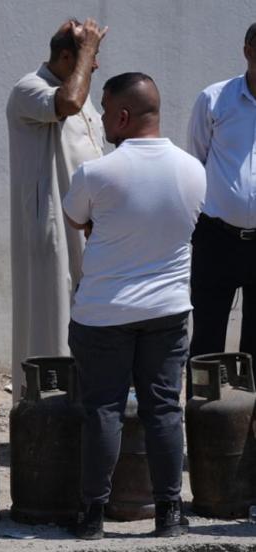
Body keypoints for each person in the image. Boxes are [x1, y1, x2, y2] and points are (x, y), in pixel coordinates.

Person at [63, 73, 204, 539]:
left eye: (105, 110)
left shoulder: (97, 173)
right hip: (168, 310)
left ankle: (92, 517)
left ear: (123, 116)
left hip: (104, 313)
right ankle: (169, 514)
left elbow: (75, 218)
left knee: (102, 410)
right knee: (163, 410)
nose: (101, 119)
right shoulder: (193, 170)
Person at [6, 18, 107, 400]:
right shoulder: (29, 89)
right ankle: (46, 413)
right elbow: (68, 103)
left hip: (89, 231)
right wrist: (86, 50)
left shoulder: (83, 93)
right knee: (51, 322)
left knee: (89, 322)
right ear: (67, 58)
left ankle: (83, 408)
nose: (96, 65)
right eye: (91, 57)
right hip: (53, 235)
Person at [187, 23, 256, 395]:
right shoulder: (215, 99)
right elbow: (196, 163)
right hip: (217, 236)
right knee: (207, 335)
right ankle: (202, 412)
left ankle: (249, 419)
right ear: (248, 50)